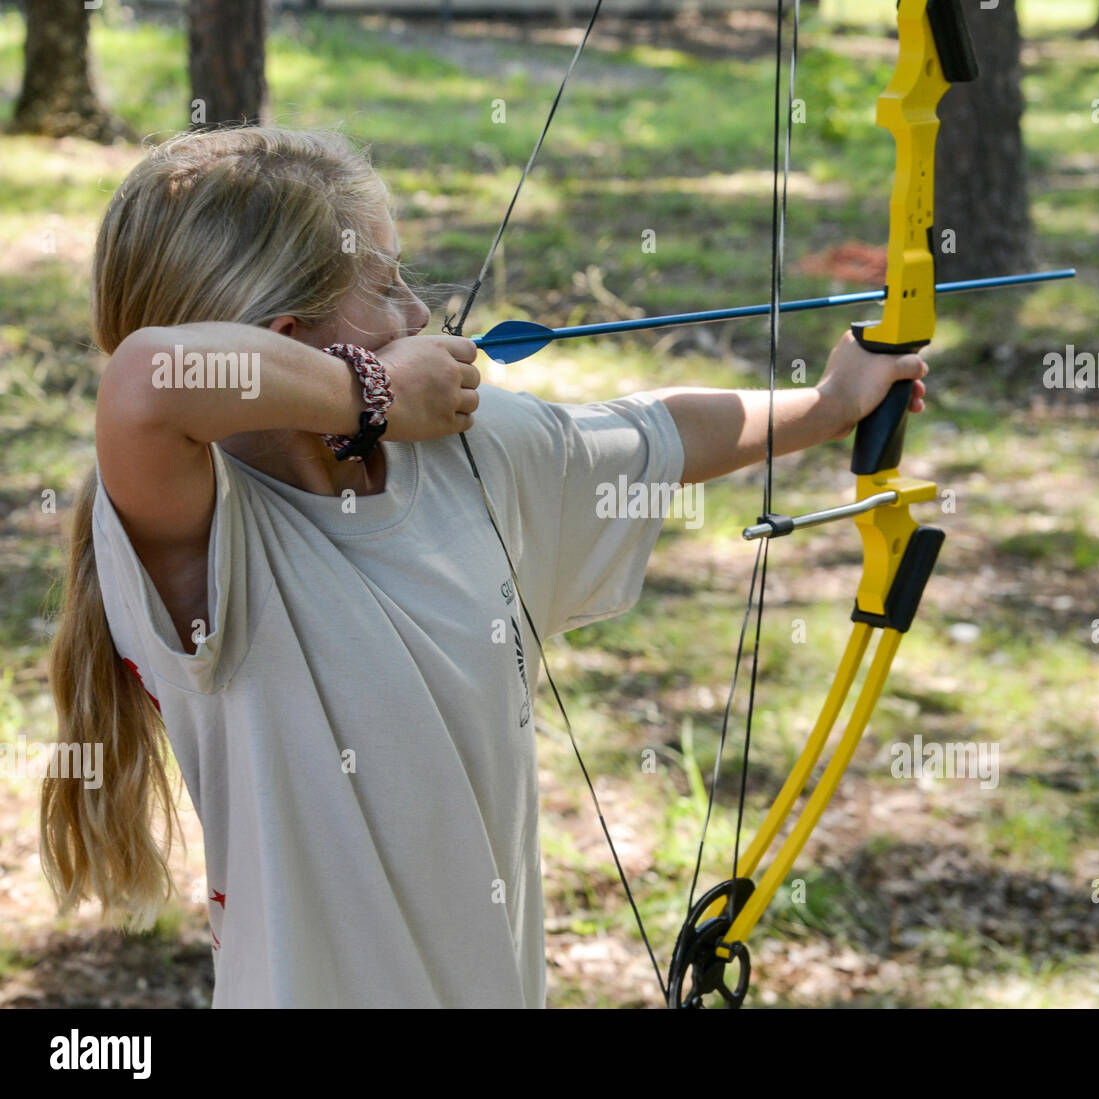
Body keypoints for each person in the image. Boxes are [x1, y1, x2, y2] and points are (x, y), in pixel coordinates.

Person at [40, 126, 927, 1007]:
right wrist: (370, 393)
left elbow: (650, 432)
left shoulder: (468, 454)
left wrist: (827, 404)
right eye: (384, 288)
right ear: (287, 337)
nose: (418, 317)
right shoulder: (206, 539)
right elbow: (147, 380)